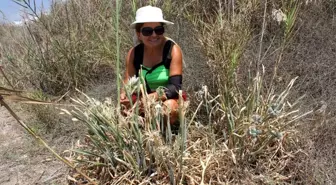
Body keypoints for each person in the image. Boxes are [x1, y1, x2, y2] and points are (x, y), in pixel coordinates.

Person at [120, 5, 184, 125]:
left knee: (168, 108)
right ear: (139, 34)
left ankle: (167, 136)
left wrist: (152, 98)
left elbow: (175, 87)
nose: (154, 35)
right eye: (147, 31)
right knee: (124, 111)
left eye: (158, 30)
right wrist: (124, 96)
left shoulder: (172, 50)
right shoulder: (134, 54)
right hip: (143, 102)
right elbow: (127, 83)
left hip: (168, 99)